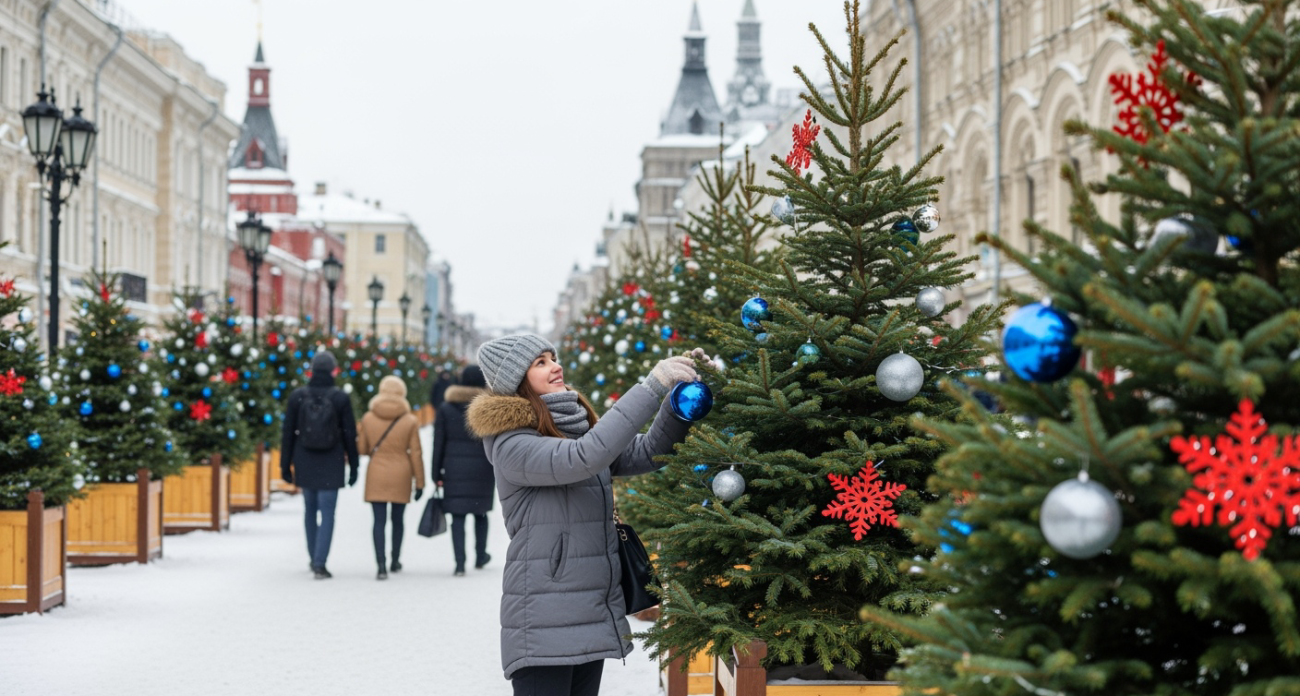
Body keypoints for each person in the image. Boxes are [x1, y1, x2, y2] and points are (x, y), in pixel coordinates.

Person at [466, 333, 702, 696]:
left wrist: (679, 398)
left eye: (552, 357)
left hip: (590, 605)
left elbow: (649, 452)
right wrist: (652, 386)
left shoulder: (573, 428)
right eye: (540, 362)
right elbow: (585, 457)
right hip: (543, 616)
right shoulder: (510, 442)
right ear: (516, 381)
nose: (555, 366)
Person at [281, 350, 359, 580]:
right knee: (327, 513)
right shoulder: (340, 398)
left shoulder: (298, 396)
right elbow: (349, 435)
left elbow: (287, 434)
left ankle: (312, 556)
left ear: (312, 371)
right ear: (333, 370)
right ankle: (320, 562)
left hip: (304, 459)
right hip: (331, 460)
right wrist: (354, 467)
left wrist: (285, 466)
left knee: (309, 511)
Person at [357, 375, 425, 580]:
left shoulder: (368, 418)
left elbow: (362, 449)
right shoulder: (410, 420)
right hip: (402, 473)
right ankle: (395, 559)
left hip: (376, 471)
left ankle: (381, 565)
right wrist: (420, 482)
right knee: (398, 520)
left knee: (378, 521)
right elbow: (416, 453)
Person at [431, 364, 493, 576]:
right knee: (481, 514)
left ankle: (459, 563)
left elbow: (438, 443)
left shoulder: (446, 408)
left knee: (457, 516)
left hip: (454, 469)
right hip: (483, 469)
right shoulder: (488, 407)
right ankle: (480, 555)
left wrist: (435, 473)